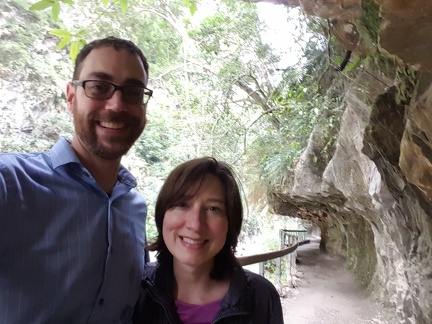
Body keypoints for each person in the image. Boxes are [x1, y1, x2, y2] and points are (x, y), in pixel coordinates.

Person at [0, 36, 153, 323]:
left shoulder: (134, 207)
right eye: (98, 87)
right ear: (71, 97)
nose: (116, 104)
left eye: (133, 92)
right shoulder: (11, 182)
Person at [133, 157, 284, 324]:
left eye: (213, 209)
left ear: (230, 223)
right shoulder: (135, 290)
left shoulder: (261, 297)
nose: (195, 224)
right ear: (163, 215)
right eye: (182, 204)